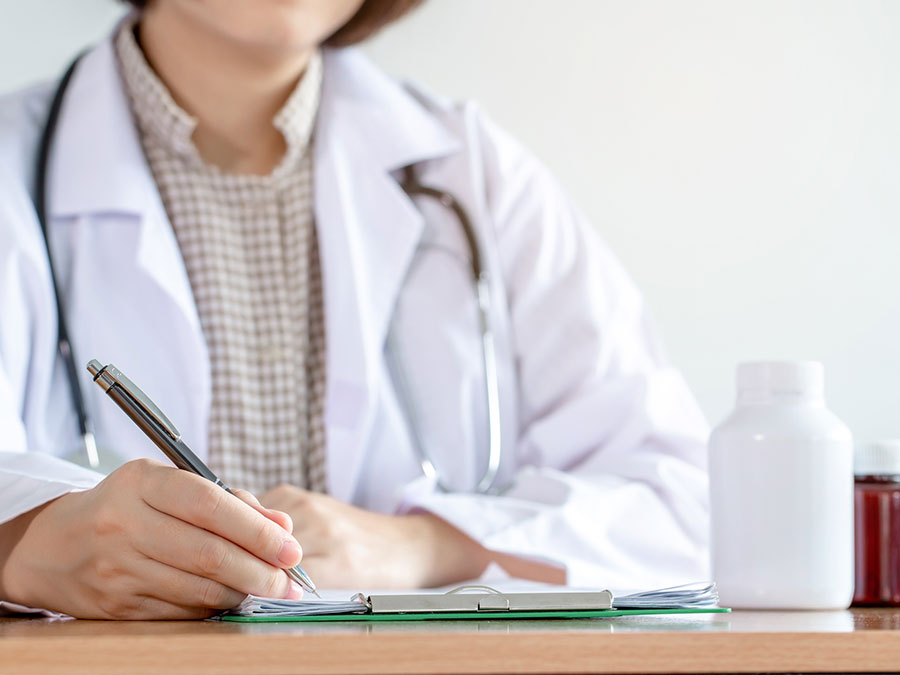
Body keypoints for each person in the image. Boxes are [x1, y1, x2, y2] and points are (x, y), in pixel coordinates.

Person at [0, 0, 709, 620]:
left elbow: (682, 505)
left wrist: (429, 544)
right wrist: (30, 540)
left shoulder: (477, 178)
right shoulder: (14, 167)